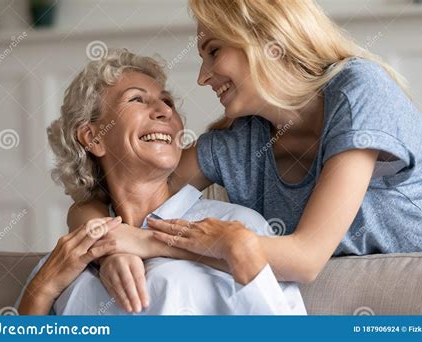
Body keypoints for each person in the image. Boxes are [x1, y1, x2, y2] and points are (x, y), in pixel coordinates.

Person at [68, 0, 422, 311]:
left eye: (214, 51)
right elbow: (100, 198)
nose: (202, 76)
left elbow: (307, 259)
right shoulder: (241, 142)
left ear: (266, 36)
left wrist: (146, 242)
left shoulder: (358, 89)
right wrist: (111, 251)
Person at [16, 48, 306, 315]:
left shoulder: (237, 227)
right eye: (137, 99)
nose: (165, 111)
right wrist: (42, 289)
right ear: (93, 138)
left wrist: (240, 250)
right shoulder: (72, 252)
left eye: (167, 101)